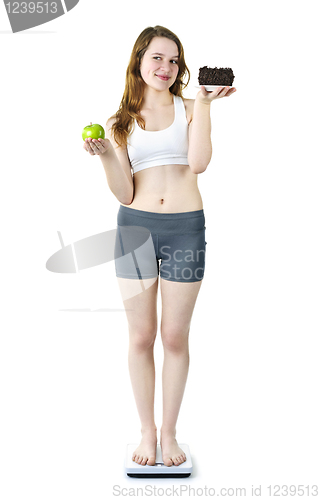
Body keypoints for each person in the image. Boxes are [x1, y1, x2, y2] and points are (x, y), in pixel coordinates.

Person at [83, 25, 236, 467]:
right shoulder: (119, 123)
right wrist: (107, 155)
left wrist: (205, 104)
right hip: (134, 229)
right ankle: (146, 433)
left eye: (173, 60)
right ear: (139, 61)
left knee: (173, 336)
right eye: (157, 58)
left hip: (185, 229)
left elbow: (200, 163)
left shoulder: (191, 107)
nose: (165, 67)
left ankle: (169, 434)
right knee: (141, 336)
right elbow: (124, 194)